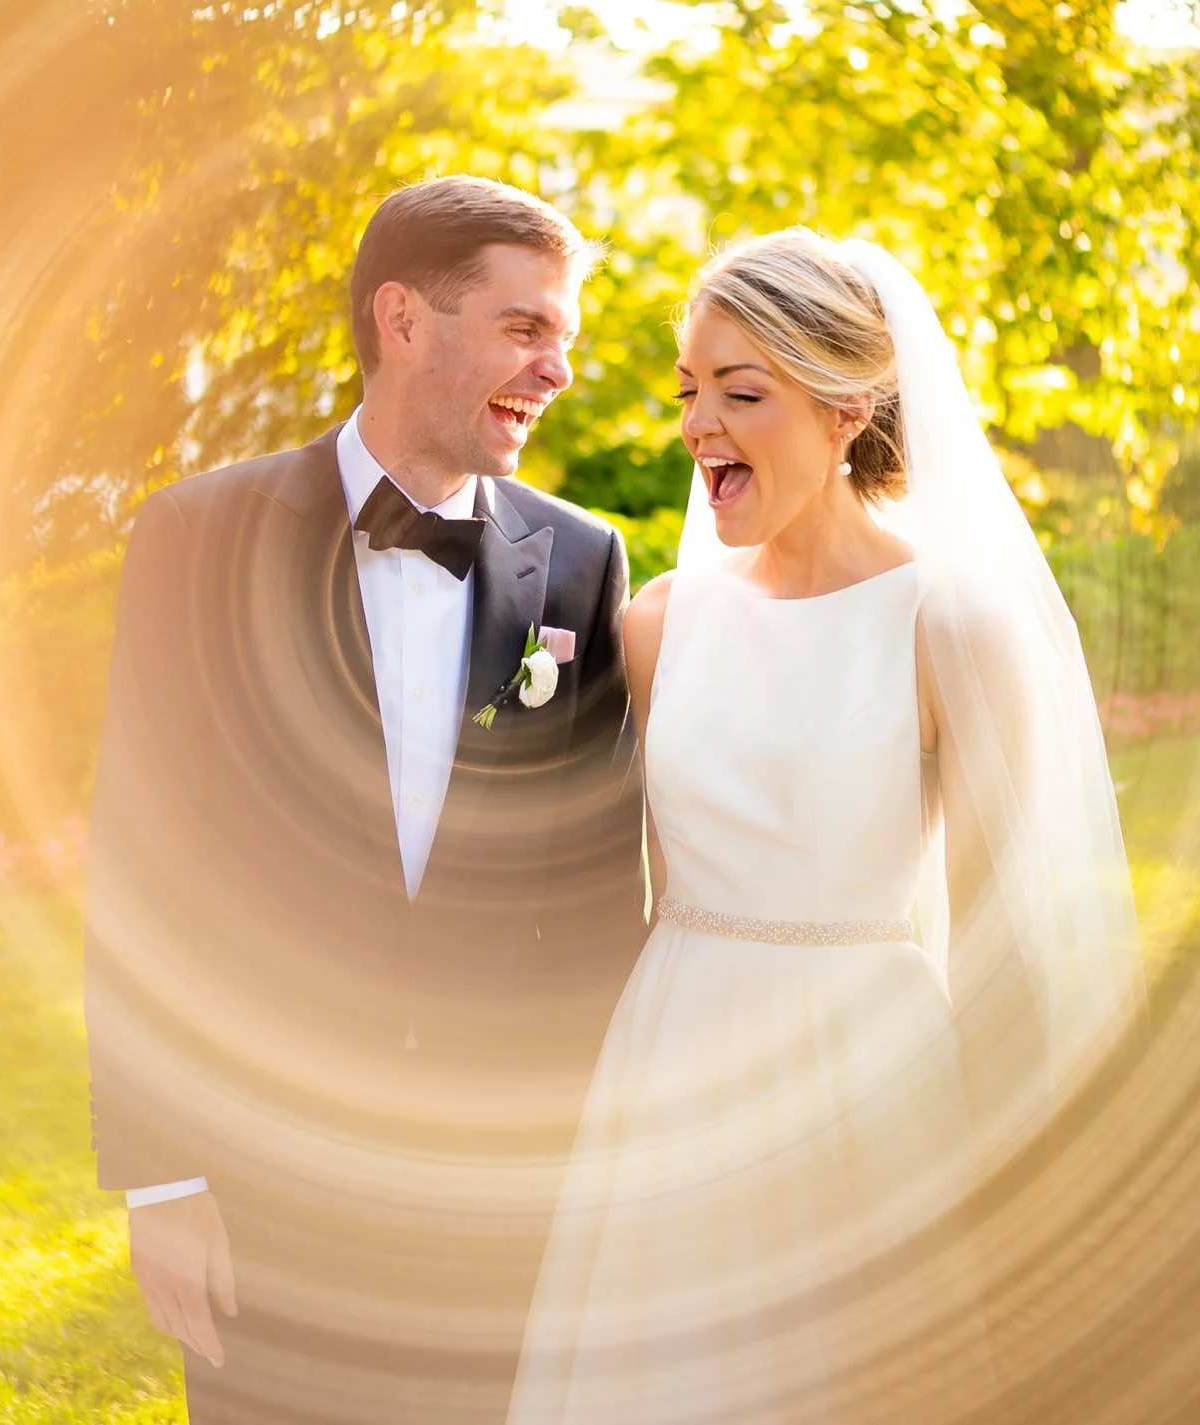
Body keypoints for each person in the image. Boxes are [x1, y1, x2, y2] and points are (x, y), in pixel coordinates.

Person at [508, 229, 1144, 1424]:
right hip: (673, 1075)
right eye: (689, 391)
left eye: (741, 393)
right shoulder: (657, 623)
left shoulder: (948, 621)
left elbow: (1008, 942)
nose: (700, 425)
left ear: (849, 407)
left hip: (867, 1081)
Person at [85, 175, 652, 1424]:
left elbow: (603, 898)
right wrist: (163, 1180)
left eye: (565, 334)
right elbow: (141, 866)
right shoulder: (196, 538)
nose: (559, 368)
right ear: (403, 319)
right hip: (263, 1176)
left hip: (503, 1185)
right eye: (525, 327)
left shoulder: (580, 563)